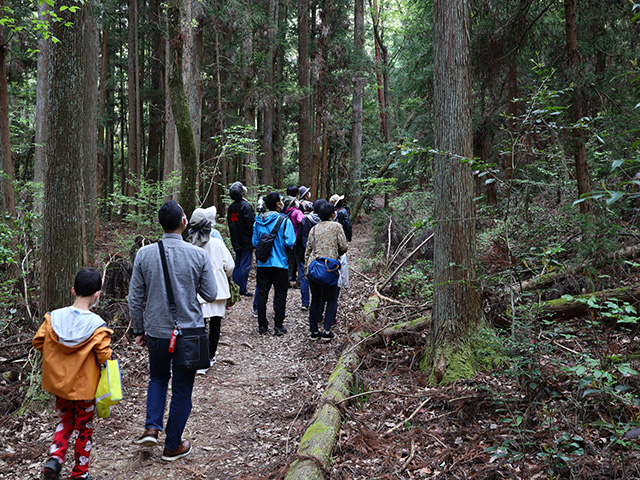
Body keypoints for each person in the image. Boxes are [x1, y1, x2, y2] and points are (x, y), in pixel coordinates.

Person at [129, 200, 217, 462]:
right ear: (184, 222)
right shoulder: (198, 255)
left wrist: (138, 329)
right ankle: (173, 445)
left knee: (157, 378)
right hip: (189, 332)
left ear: (160, 224)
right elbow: (210, 293)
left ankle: (151, 427)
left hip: (156, 330)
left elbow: (135, 297)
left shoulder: (144, 254)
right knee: (182, 389)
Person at [34, 267, 113, 480]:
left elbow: (39, 342)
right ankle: (80, 473)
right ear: (98, 294)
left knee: (64, 421)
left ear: (72, 290)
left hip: (60, 385)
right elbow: (105, 356)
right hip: (85, 389)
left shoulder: (53, 318)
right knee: (84, 427)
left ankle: (55, 458)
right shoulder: (97, 327)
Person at [187, 206, 235, 375]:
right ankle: (210, 356)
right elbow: (230, 266)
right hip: (218, 289)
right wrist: (223, 273)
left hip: (197, 292)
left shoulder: (189, 247)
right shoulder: (217, 243)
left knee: (199, 325)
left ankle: (200, 360)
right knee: (215, 324)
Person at [252, 192, 296, 335]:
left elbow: (254, 242)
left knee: (262, 295)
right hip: (280, 264)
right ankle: (278, 326)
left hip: (263, 265)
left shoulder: (258, 220)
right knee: (280, 295)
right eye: (281, 200)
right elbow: (290, 241)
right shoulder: (284, 221)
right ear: (278, 204)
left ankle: (262, 325)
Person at [305, 199, 348, 341]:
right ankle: (327, 331)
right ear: (332, 214)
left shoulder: (314, 228)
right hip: (329, 268)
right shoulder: (337, 227)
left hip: (314, 268)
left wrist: (306, 270)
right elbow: (343, 246)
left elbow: (308, 250)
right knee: (331, 299)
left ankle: (313, 331)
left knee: (316, 299)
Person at [227, 182, 255, 296]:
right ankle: (241, 288)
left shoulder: (231, 207)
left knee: (238, 263)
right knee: (244, 264)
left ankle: (236, 287)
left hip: (236, 239)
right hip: (246, 240)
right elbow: (251, 224)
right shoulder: (246, 206)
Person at [296, 199, 322, 310]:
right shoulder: (324, 222)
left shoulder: (305, 220)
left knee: (304, 278)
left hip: (303, 252)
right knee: (319, 277)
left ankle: (305, 303)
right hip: (319, 254)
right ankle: (318, 303)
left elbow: (299, 237)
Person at [283, 189, 304, 286]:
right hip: (297, 240)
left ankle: (287, 279)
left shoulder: (285, 212)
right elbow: (302, 222)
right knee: (299, 260)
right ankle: (299, 281)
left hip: (287, 240)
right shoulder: (297, 212)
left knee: (289, 261)